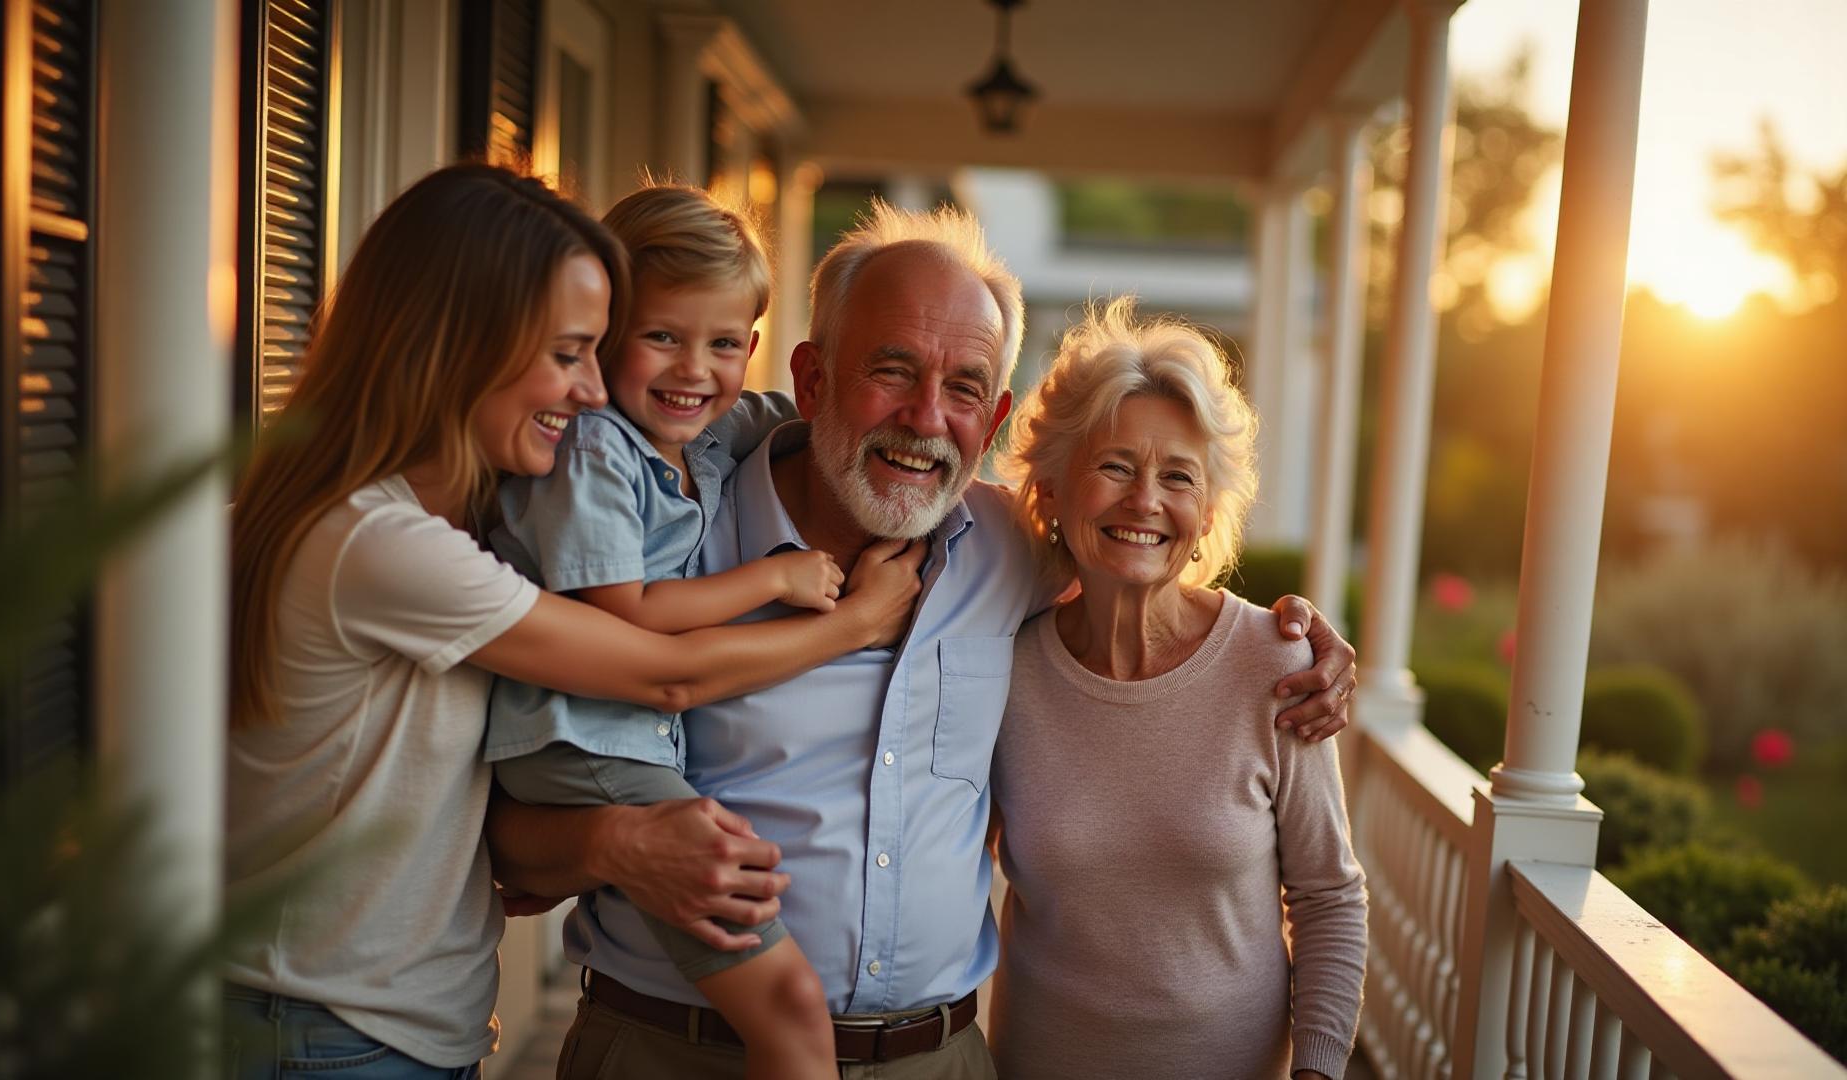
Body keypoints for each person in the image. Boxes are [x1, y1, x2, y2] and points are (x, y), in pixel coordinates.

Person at [486, 201, 1360, 1079]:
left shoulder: (1010, 554)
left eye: (965, 388)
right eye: (892, 371)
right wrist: (612, 848)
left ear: (997, 414)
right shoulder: (670, 545)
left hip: (938, 1059)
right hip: (672, 1053)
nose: (926, 416)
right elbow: (508, 836)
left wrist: (1294, 637)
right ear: (812, 378)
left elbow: (1135, 562)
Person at [220, 165, 922, 1079]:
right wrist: (853, 622)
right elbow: (653, 670)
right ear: (457, 345)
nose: (594, 393)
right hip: (327, 1031)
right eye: (568, 353)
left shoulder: (446, 520)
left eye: (597, 351)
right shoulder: (379, 543)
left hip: (395, 1025)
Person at [488, 184, 845, 1079]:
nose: (695, 370)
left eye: (724, 344)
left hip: (625, 744)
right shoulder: (595, 447)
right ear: (606, 333)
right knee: (792, 1005)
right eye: (663, 338)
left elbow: (818, 419)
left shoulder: (709, 427)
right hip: (584, 736)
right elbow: (627, 613)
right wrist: (775, 576)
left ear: (752, 348)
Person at [987, 299, 1368, 1079]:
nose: (1145, 501)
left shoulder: (1277, 664)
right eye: (1114, 466)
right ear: (1051, 490)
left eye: (1178, 478)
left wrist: (1320, 1070)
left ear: (1206, 514)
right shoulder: (1001, 665)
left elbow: (1329, 897)